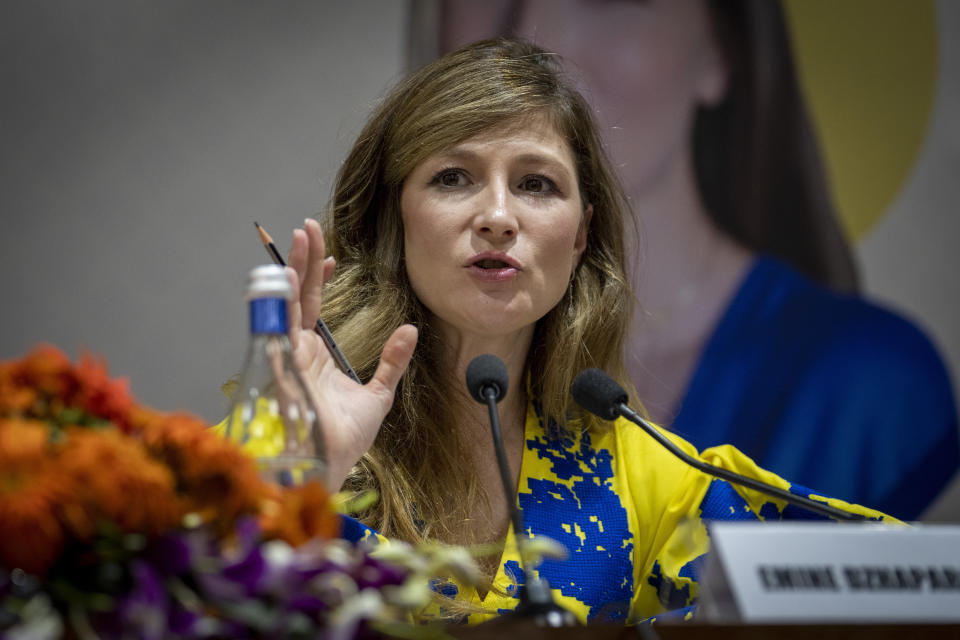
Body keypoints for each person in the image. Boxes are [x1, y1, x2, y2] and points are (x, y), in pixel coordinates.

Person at [279, 38, 891, 625]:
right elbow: (194, 602)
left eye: (535, 184)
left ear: (579, 237)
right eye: (452, 177)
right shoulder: (288, 433)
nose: (496, 217)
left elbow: (902, 572)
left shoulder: (640, 474)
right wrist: (305, 478)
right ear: (396, 217)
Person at [423, 0, 959, 520]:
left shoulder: (876, 385)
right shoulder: (375, 385)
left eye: (610, 0)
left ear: (721, 51)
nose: (539, 41)